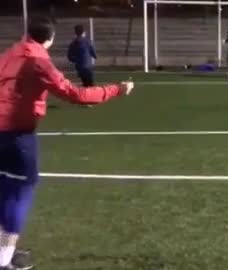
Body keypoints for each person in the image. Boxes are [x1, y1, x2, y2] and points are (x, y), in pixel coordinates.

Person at [0, 17, 134, 270]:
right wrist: (118, 89)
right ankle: (4, 259)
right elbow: (77, 94)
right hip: (17, 137)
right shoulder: (39, 60)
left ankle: (4, 250)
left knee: (6, 189)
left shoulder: (10, 53)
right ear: (50, 39)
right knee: (21, 192)